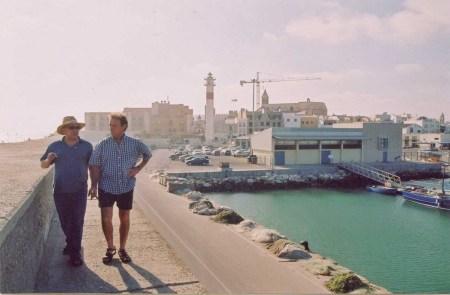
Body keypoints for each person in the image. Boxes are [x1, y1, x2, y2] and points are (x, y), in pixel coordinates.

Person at [88, 113, 151, 264]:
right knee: (106, 217)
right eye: (110, 125)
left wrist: (138, 168)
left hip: (126, 186)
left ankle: (122, 249)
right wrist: (94, 185)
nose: (111, 128)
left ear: (124, 127)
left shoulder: (135, 143)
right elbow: (94, 164)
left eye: (114, 125)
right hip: (106, 186)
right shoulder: (103, 144)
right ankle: (110, 248)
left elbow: (147, 154)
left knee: (124, 217)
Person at [40, 116, 93, 267]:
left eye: (77, 127)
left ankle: (75, 253)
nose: (75, 130)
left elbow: (93, 166)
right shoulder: (55, 146)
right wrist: (49, 160)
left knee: (77, 221)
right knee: (65, 222)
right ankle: (71, 243)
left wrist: (94, 185)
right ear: (64, 130)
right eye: (71, 127)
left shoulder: (87, 146)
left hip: (80, 190)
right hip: (61, 190)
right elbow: (43, 165)